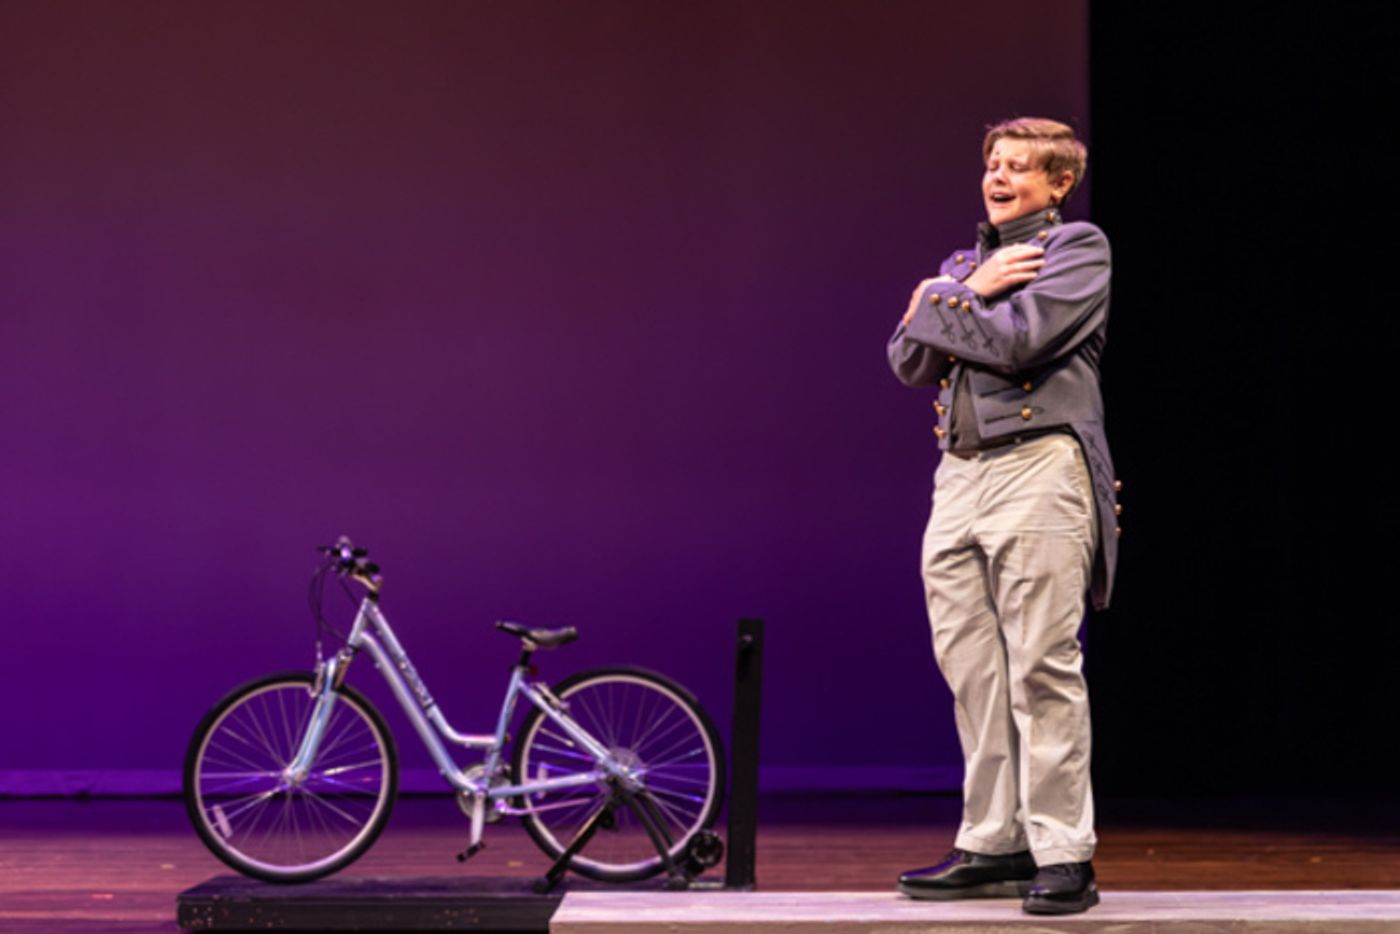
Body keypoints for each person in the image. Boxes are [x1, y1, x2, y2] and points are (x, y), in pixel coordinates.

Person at [887, 117, 1121, 916]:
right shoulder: (965, 265)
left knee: (1042, 665)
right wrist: (966, 291)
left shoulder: (1078, 249)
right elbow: (907, 360)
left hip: (1037, 466)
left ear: (1058, 183)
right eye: (993, 162)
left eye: (1020, 166)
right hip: (959, 478)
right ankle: (994, 840)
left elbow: (1025, 342)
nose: (999, 175)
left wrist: (946, 303)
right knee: (972, 668)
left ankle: (1063, 851)